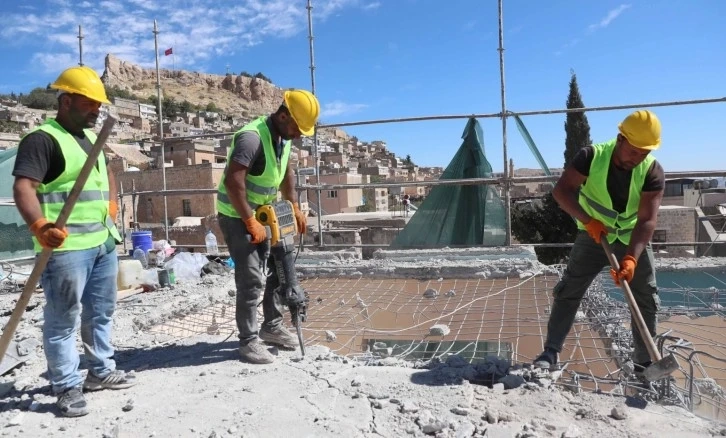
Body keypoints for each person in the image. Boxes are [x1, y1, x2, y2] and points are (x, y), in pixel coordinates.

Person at [12, 66, 136, 417]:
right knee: (63, 318)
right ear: (66, 101)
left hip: (102, 244)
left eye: (99, 105)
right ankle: (66, 385)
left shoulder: (88, 138)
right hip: (65, 249)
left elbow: (108, 171)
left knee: (100, 312)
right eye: (90, 104)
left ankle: (99, 371)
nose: (97, 110)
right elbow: (24, 187)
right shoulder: (42, 139)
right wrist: (38, 224)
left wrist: (112, 204)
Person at [533, 110, 665, 375]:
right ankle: (551, 352)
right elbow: (562, 191)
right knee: (569, 290)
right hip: (594, 236)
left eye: (644, 153)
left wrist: (631, 258)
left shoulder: (652, 171)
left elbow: (647, 221)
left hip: (630, 238)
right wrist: (588, 221)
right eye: (633, 151)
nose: (637, 158)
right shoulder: (591, 157)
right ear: (620, 139)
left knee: (645, 299)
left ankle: (644, 365)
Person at [217, 89, 319, 364]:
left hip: (266, 211)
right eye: (297, 128)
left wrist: (293, 205)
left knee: (280, 270)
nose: (298, 135)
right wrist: (250, 220)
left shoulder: (283, 140)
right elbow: (233, 181)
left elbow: (287, 173)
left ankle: (271, 327)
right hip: (237, 215)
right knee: (251, 279)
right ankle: (248, 342)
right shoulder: (252, 138)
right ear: (283, 115)